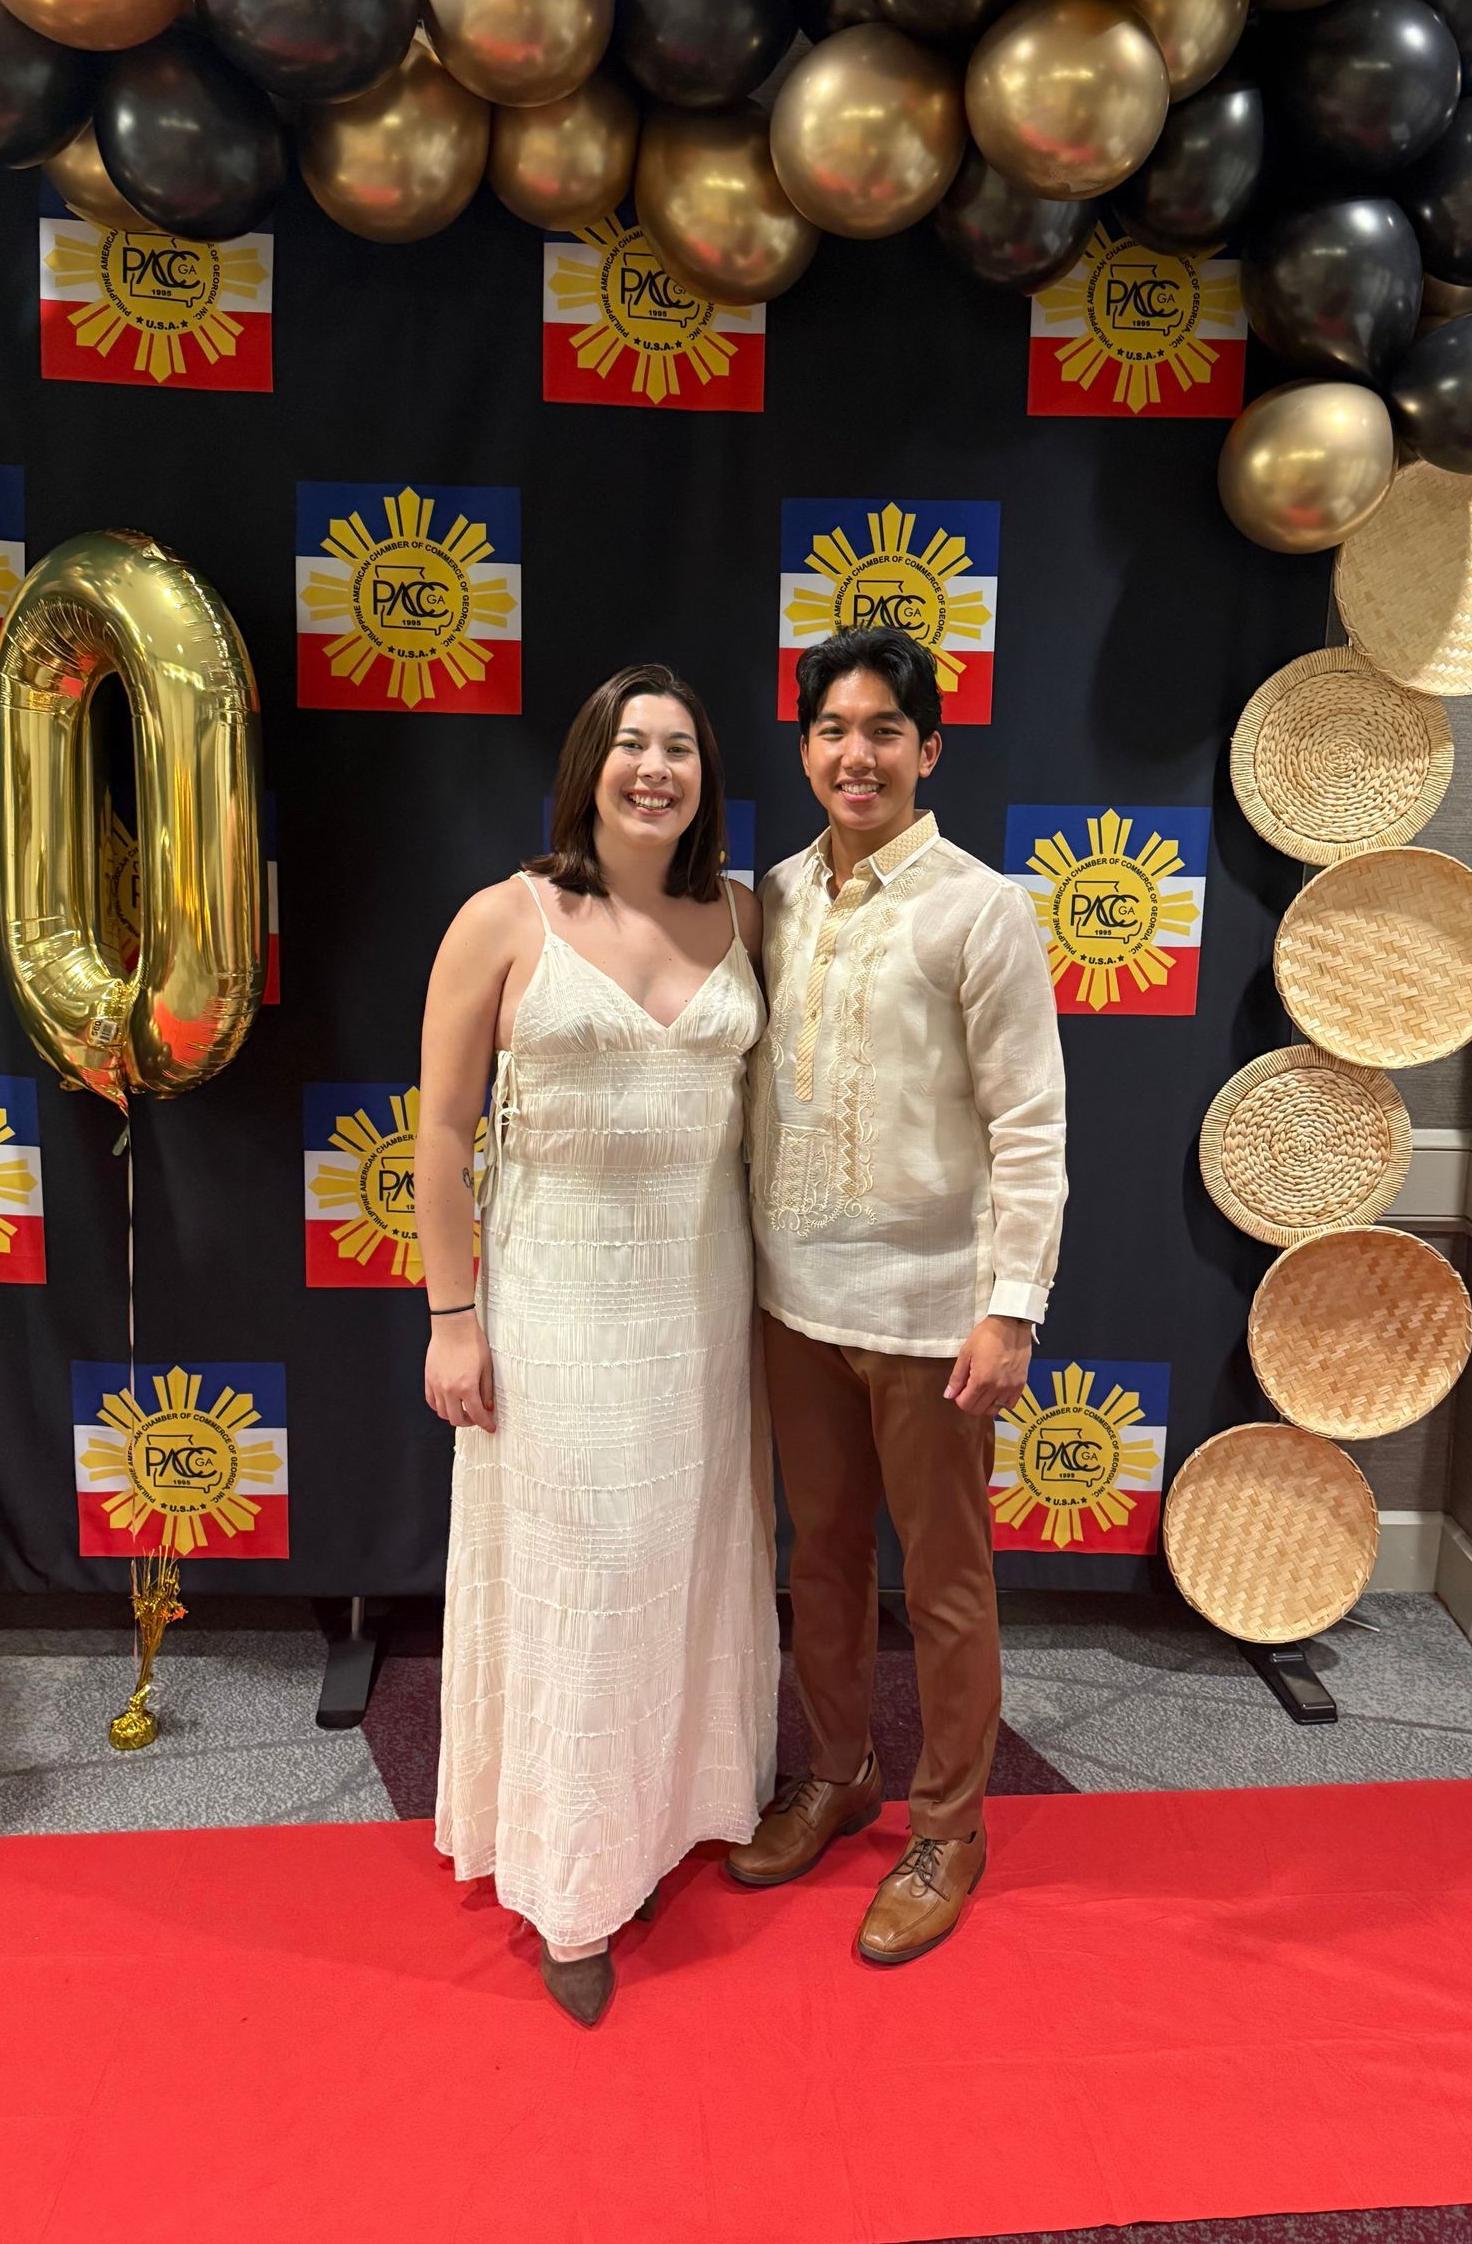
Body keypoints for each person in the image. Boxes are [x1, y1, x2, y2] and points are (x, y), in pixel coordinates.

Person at [415, 665, 778, 2029]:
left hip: (703, 1308)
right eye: (631, 744)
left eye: (679, 747)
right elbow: (442, 1136)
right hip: (558, 1309)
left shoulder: (746, 916)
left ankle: (685, 1810)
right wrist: (455, 1318)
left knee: (688, 1559)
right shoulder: (504, 919)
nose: (654, 768)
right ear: (589, 766)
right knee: (585, 1574)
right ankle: (574, 1882)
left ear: (705, 776)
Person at [731, 626, 1067, 1964]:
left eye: (883, 730)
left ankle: (950, 1825)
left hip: (935, 1313)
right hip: (795, 1301)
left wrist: (1013, 1306)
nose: (854, 752)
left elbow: (1031, 1124)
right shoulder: (776, 895)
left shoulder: (981, 909)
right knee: (816, 1565)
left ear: (931, 750)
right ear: (805, 747)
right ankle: (836, 1771)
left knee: (942, 1581)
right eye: (831, 729)